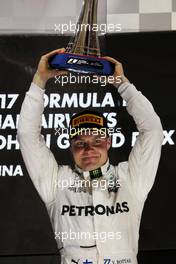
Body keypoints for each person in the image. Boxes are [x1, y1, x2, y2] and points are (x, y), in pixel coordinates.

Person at [17, 48, 163, 264]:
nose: (89, 149)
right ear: (70, 146)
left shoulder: (131, 179)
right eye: (80, 143)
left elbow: (152, 130)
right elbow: (27, 134)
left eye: (97, 141)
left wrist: (122, 84)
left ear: (108, 142)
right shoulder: (56, 182)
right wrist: (39, 80)